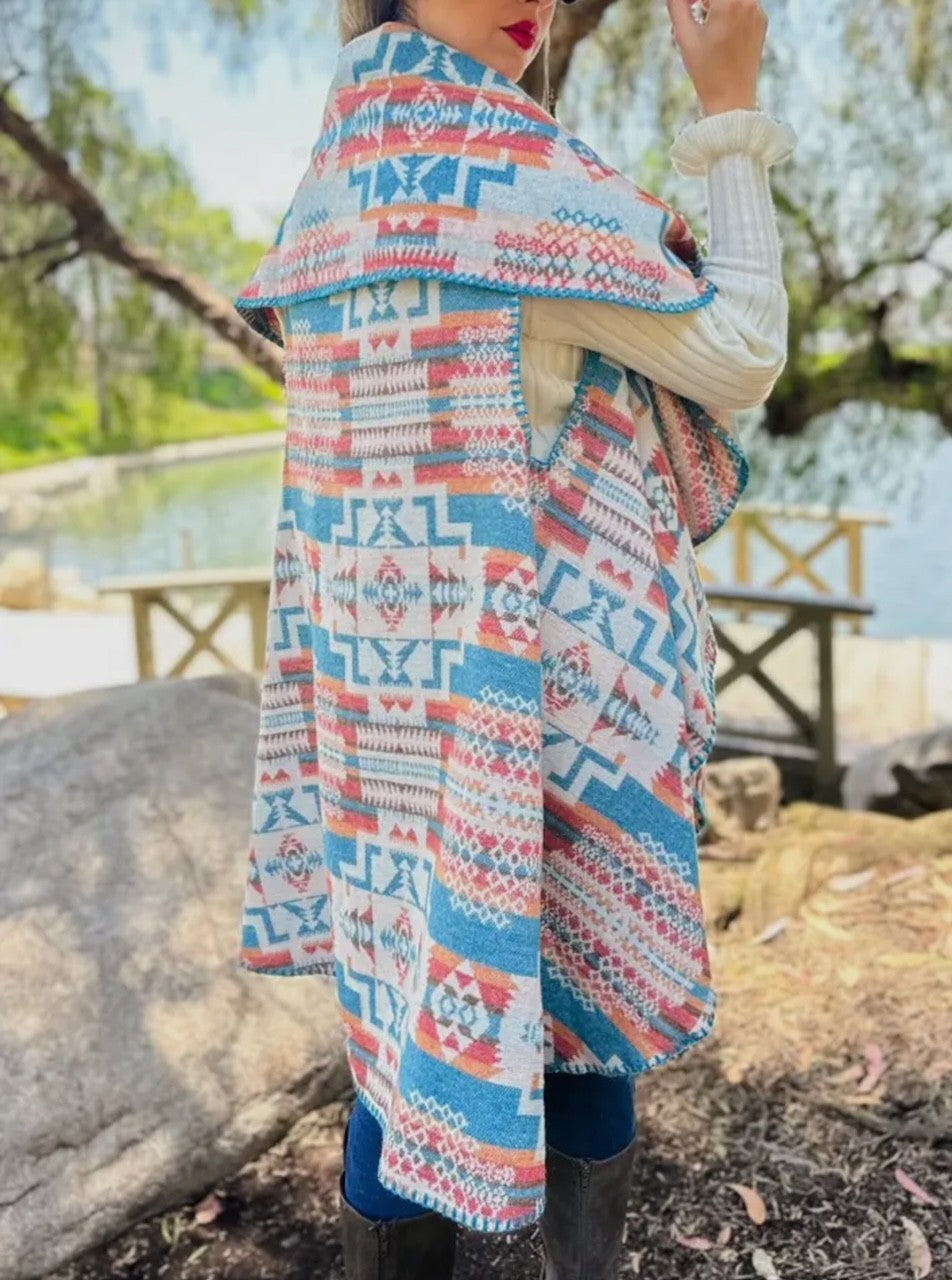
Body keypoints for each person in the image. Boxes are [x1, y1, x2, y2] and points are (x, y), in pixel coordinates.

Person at [233, 2, 797, 1278]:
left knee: (400, 1024)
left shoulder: (327, 197)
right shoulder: (522, 187)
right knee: (580, 1028)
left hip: (388, 720)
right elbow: (741, 352)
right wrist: (727, 111)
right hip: (551, 715)